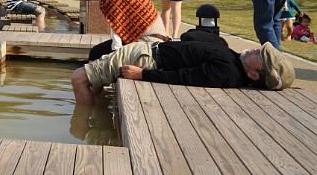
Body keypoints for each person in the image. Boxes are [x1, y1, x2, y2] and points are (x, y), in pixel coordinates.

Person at [71, 39, 295, 105]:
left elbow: (186, 77)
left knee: (78, 79)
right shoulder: (236, 62)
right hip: (149, 49)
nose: (256, 49)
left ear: (255, 74)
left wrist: (143, 74)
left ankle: (82, 127)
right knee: (95, 82)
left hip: (145, 57)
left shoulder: (226, 72)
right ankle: (94, 117)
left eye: (261, 55)